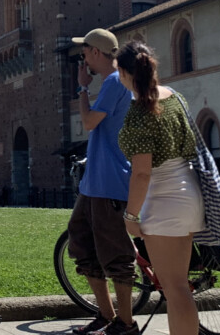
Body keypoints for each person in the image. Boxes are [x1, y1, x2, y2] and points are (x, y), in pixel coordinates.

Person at [114, 41, 205, 335]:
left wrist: (130, 217)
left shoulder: (140, 111)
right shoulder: (175, 98)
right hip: (189, 193)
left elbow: (141, 174)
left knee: (175, 288)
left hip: (164, 199)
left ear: (127, 73)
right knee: (179, 287)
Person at [66, 29, 137, 335]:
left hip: (110, 182)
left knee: (116, 254)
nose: (83, 60)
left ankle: (125, 323)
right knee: (81, 242)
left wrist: (83, 89)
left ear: (96, 53)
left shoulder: (113, 81)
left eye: (84, 54)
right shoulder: (114, 82)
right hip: (94, 183)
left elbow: (89, 122)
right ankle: (106, 316)